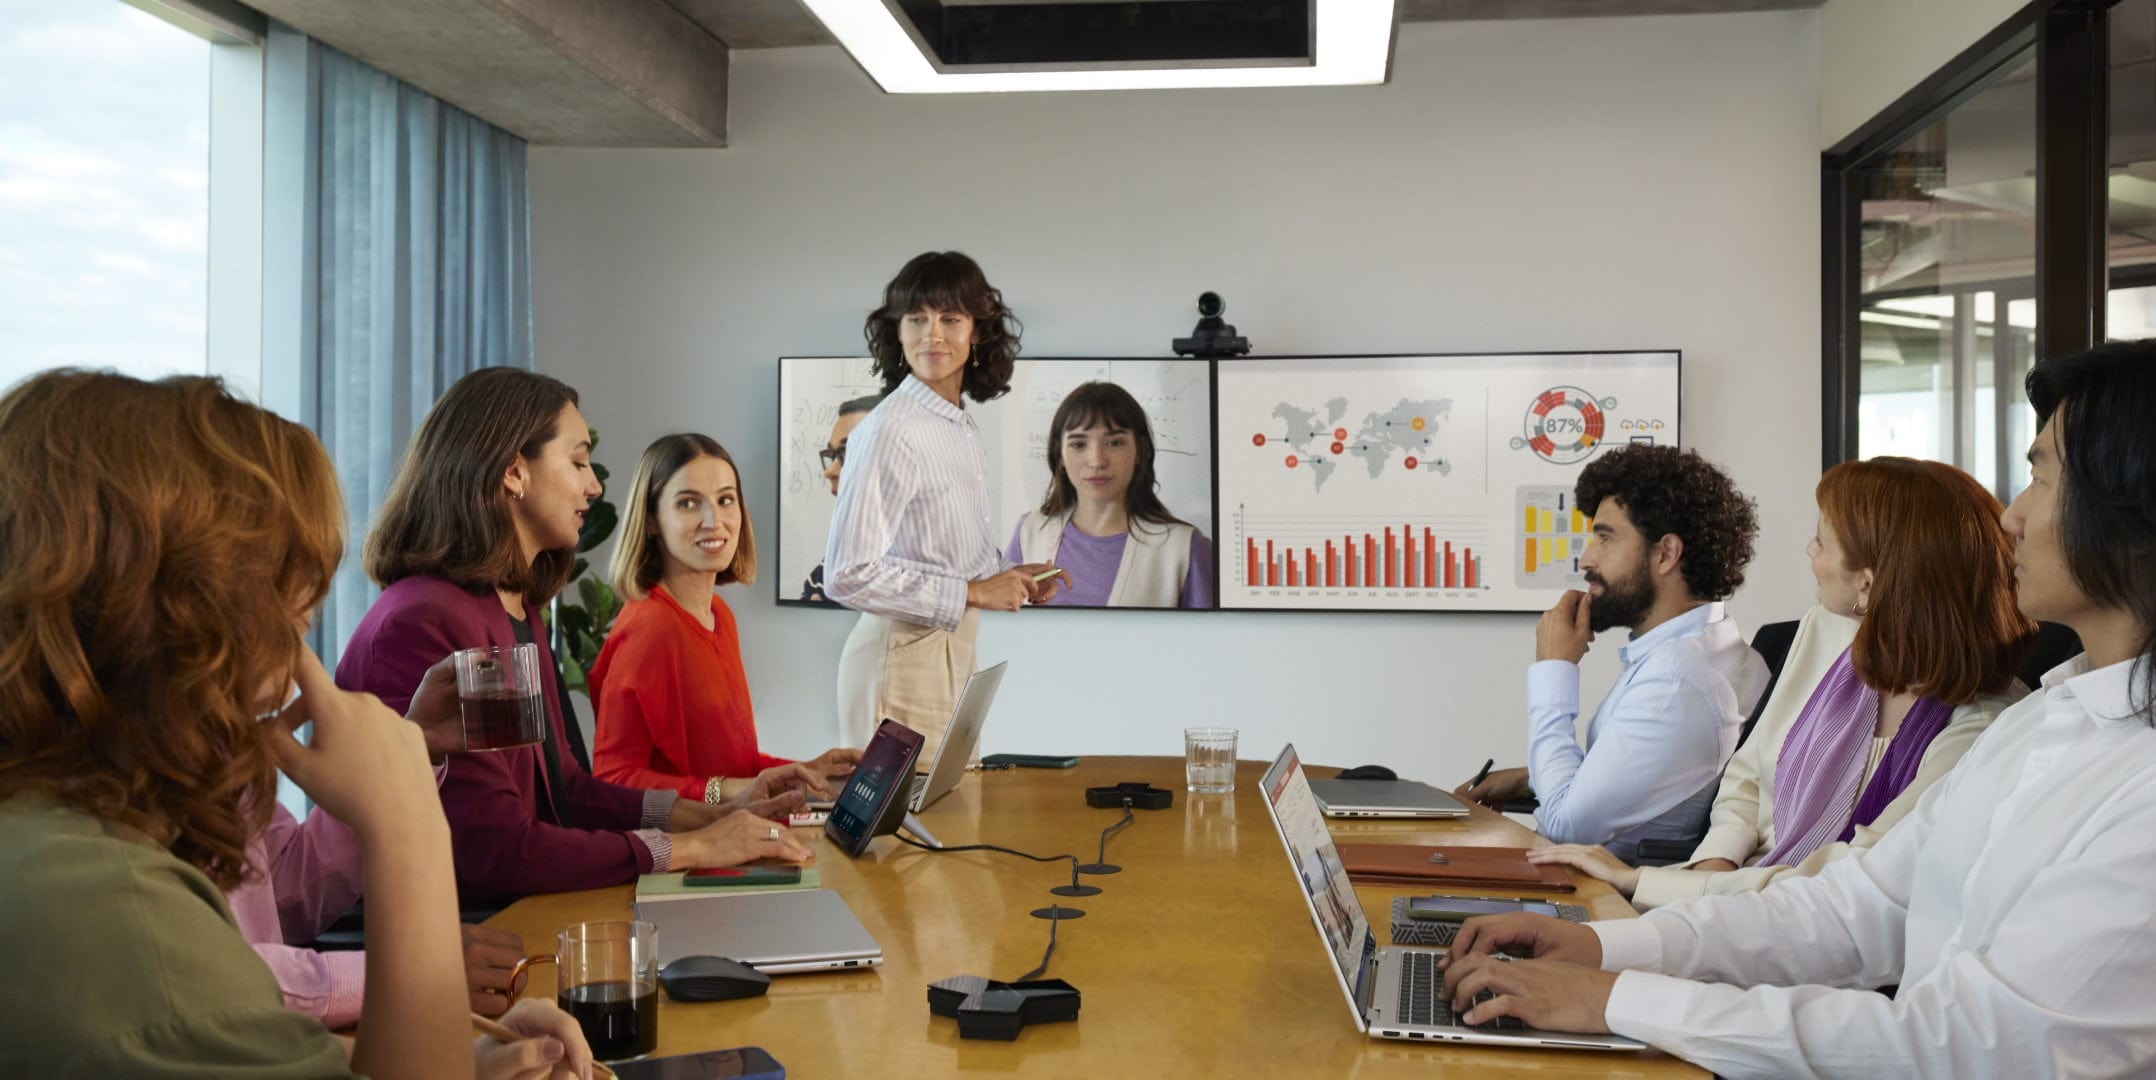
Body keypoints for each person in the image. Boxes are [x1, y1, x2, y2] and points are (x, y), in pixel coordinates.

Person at [1440, 342, 2156, 1078]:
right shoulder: (2046, 719)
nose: (2011, 516)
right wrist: (1602, 951)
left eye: (2041, 476)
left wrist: (1620, 998)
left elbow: (1973, 1044)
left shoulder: (2126, 782)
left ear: (2134, 512)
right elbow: (1857, 908)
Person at [0, 370, 591, 1078]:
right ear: (157, 594)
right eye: (274, 568)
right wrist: (408, 836)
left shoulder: (181, 755)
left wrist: (456, 1052)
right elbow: (215, 998)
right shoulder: (105, 907)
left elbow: (283, 893)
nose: (306, 607)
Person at [339, 367, 817, 908]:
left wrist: (713, 818)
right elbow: (498, 851)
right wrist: (690, 846)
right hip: (463, 937)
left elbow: (569, 789)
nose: (594, 485)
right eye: (578, 461)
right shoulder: (425, 622)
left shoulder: (515, 606)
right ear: (514, 473)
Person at [1530, 457, 2033, 908]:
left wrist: (1656, 885)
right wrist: (1715, 867)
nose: (1808, 551)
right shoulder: (1830, 631)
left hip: (1802, 929)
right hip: (1722, 896)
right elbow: (1748, 779)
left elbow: (1847, 886)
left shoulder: (1981, 730)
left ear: (1869, 581)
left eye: (1823, 541)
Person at [1454, 444, 1769, 862]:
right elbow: (1650, 775)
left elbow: (1567, 826)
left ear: (1665, 554)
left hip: (1605, 902)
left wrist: (1554, 667)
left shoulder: (1678, 682)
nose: (1586, 558)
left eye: (1605, 538)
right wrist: (1529, 779)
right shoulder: (1710, 650)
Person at [824, 252, 1067, 757]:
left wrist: (1010, 576)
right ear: (898, 331)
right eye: (917, 319)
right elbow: (846, 574)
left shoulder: (956, 423)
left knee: (953, 818)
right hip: (902, 654)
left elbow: (942, 553)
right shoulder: (890, 429)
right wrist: (974, 592)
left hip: (951, 647)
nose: (932, 334)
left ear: (977, 331)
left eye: (950, 319)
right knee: (905, 831)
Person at [592, 433, 863, 800]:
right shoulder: (649, 628)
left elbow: (728, 765)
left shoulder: (719, 614)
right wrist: (733, 791)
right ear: (652, 519)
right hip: (689, 850)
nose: (713, 520)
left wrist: (806, 772)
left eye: (725, 500)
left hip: (733, 839)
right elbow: (614, 779)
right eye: (688, 503)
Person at [1004, 380, 1215, 608]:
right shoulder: (1030, 532)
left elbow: (1208, 640)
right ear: (1059, 454)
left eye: (1114, 442)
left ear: (1140, 451)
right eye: (1078, 444)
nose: (1097, 461)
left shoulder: (1184, 549)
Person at [801, 392, 885, 604]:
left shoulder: (930, 564)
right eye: (832, 455)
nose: (830, 471)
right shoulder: (830, 569)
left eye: (848, 453)